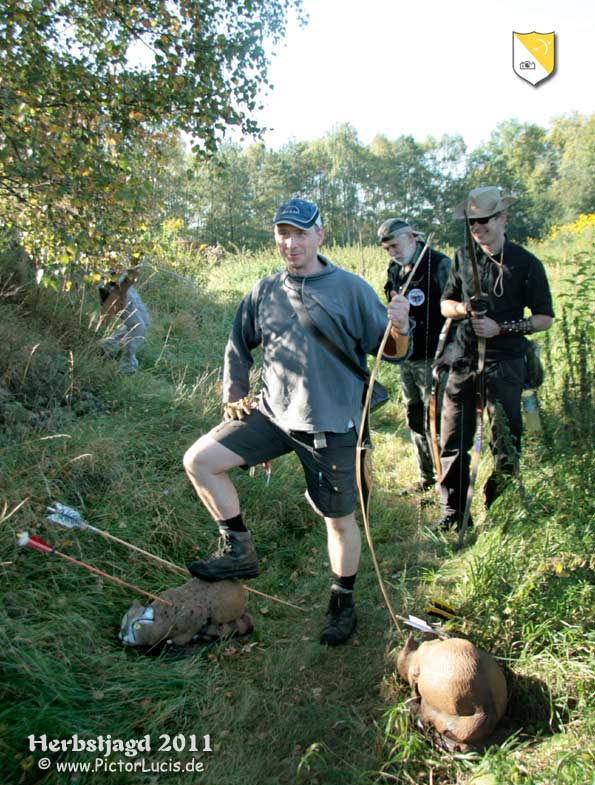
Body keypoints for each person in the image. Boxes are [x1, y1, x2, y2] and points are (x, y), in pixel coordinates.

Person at [183, 198, 412, 646]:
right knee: (200, 460)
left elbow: (391, 351)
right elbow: (238, 343)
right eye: (283, 234)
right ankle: (238, 549)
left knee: (340, 521)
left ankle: (341, 603)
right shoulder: (264, 290)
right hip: (271, 416)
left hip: (332, 424)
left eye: (300, 233)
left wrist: (400, 327)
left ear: (319, 236)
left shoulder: (351, 288)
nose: (291, 243)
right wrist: (233, 393)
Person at [437, 186, 554, 532]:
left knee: (506, 438)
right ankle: (454, 512)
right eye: (472, 222)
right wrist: (462, 309)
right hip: (462, 361)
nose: (477, 227)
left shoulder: (526, 263)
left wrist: (500, 328)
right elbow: (446, 304)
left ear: (502, 217)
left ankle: (499, 508)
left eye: (483, 220)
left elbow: (544, 318)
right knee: (453, 437)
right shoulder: (461, 257)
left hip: (505, 363)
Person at [378, 218, 452, 495]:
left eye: (395, 245)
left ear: (411, 237)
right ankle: (426, 476)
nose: (393, 253)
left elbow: (456, 309)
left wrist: (450, 351)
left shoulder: (439, 264)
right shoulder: (396, 269)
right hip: (406, 355)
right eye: (387, 249)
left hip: (434, 357)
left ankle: (446, 479)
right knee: (414, 415)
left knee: (437, 417)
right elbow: (391, 293)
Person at [99, 263, 150, 374]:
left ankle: (107, 346)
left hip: (124, 284)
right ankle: (127, 368)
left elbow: (133, 269)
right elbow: (130, 271)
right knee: (138, 328)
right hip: (114, 286)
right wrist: (122, 295)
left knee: (145, 322)